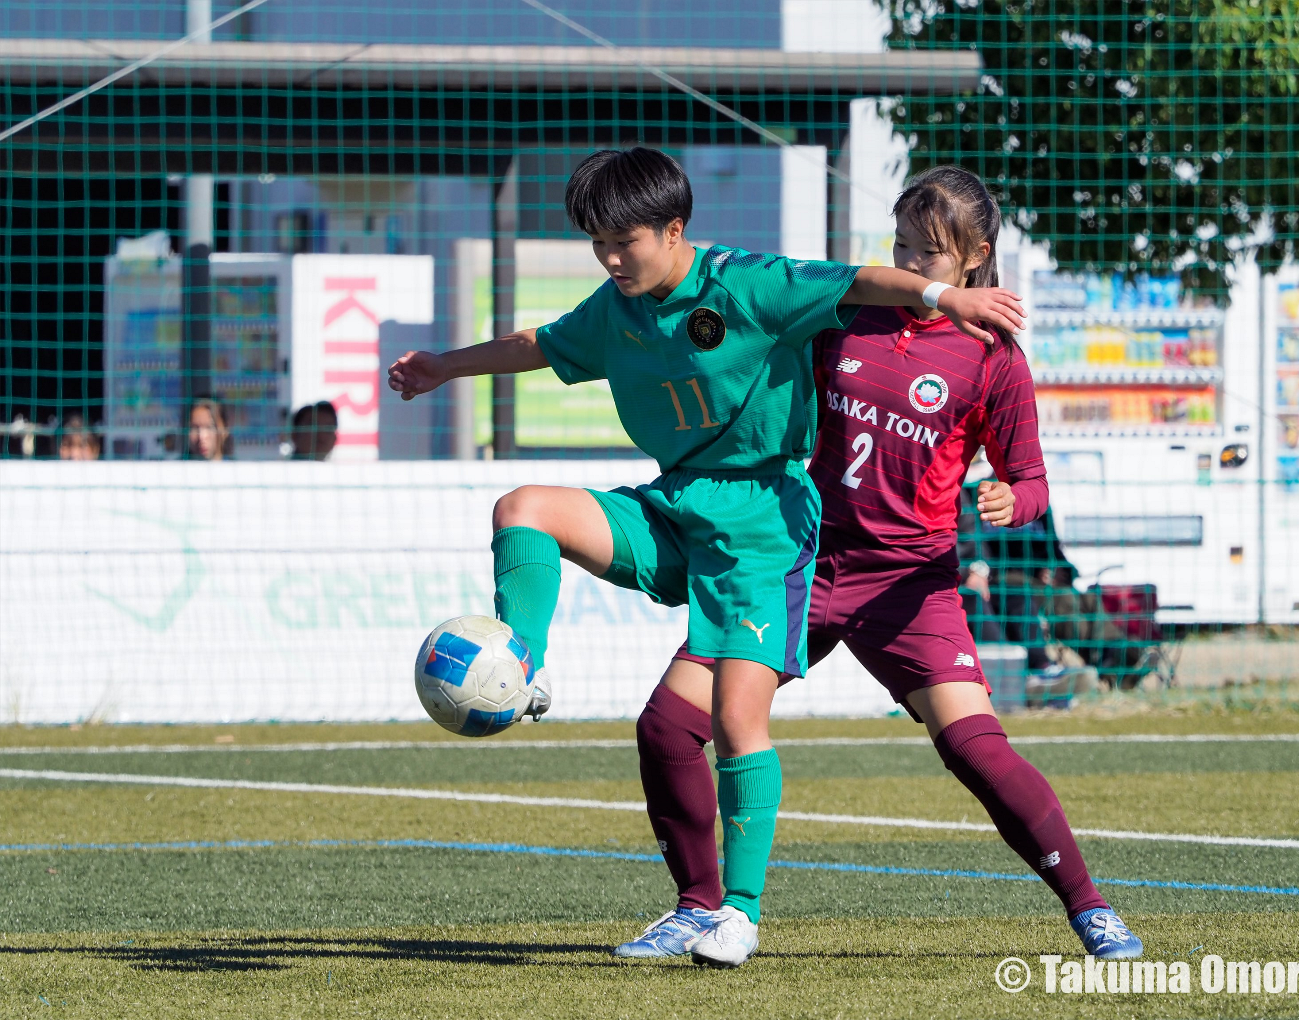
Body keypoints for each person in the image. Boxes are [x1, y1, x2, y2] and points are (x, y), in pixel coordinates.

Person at [388, 148, 1025, 969]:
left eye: (626, 242)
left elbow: (863, 281)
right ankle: (522, 663)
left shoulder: (747, 282)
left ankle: (740, 914)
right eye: (598, 244)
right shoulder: (615, 307)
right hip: (677, 505)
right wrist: (446, 366)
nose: (612, 259)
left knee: (733, 719)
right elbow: (537, 344)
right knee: (524, 510)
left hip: (766, 523)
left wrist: (945, 295)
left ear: (674, 229)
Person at [615, 166, 1142, 963]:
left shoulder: (992, 357)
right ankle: (699, 907)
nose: (906, 263)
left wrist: (1010, 499)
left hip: (909, 585)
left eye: (926, 253)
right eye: (898, 244)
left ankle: (1091, 909)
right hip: (796, 561)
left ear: (974, 259)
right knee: (668, 726)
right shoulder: (843, 318)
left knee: (976, 748)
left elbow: (1031, 482)